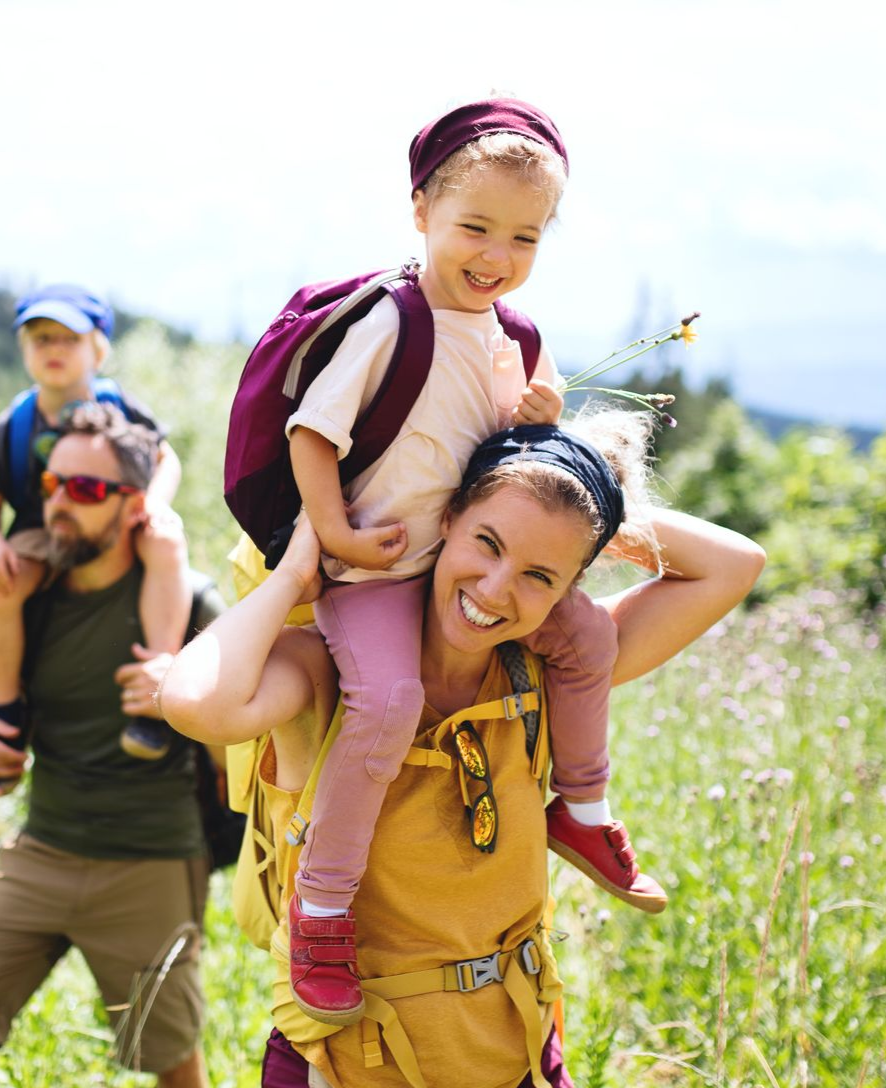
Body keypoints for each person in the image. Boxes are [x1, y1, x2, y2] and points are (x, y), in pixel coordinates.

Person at [163, 413, 766, 1088]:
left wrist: (580, 495)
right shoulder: (327, 672)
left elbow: (735, 564)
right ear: (444, 518)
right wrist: (298, 570)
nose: (496, 589)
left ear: (568, 588)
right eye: (488, 541)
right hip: (337, 1082)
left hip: (517, 1077)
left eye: (540, 575)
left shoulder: (549, 673)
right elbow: (196, 702)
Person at [270, 97, 660, 1025]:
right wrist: (335, 536)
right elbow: (311, 433)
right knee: (389, 701)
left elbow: (531, 432)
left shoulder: (512, 335)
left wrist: (539, 409)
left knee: (586, 641)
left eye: (523, 238)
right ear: (421, 213)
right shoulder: (389, 322)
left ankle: (584, 807)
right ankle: (322, 907)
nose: (497, 255)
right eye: (474, 227)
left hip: (462, 564)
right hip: (377, 569)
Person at [0, 404, 218, 1088]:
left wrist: (185, 702)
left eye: (87, 490)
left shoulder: (189, 600)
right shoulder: (33, 591)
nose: (60, 501)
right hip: (42, 850)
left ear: (134, 505)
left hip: (151, 861)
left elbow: (247, 735)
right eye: (52, 483)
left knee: (172, 1057)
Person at [0, 283, 191, 763]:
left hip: (116, 518)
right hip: (40, 530)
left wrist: (154, 503)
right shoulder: (14, 423)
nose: (54, 350)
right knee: (2, 588)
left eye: (68, 339)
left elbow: (165, 458)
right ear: (24, 349)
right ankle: (7, 706)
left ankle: (154, 684)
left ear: (98, 349)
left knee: (166, 544)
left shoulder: (121, 406)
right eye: (40, 339)